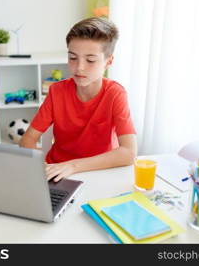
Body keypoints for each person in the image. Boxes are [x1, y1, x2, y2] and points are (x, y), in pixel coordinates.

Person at [19, 17, 137, 182]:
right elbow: (28, 139)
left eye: (90, 60)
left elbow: (129, 153)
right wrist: (42, 168)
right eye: (73, 58)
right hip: (59, 174)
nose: (79, 67)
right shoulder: (57, 91)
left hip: (99, 173)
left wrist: (73, 166)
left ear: (108, 62)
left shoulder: (115, 94)